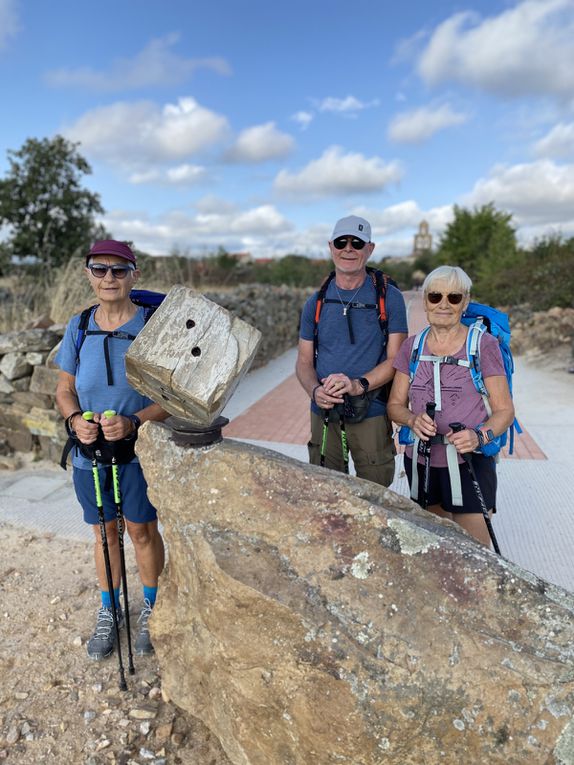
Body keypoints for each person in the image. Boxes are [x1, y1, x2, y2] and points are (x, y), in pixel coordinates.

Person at [55, 240, 169, 660]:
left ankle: (152, 608)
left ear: (133, 275)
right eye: (99, 270)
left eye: (118, 271)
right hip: (91, 452)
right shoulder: (79, 326)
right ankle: (110, 611)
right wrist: (73, 421)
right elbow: (64, 388)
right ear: (88, 273)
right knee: (104, 533)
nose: (108, 278)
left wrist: (135, 421)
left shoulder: (151, 325)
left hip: (140, 451)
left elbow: (171, 396)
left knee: (141, 529)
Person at [387, 265, 515, 546]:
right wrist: (411, 420)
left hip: (469, 460)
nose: (444, 304)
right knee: (436, 548)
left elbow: (505, 411)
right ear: (425, 301)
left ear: (465, 301)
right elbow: (395, 405)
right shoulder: (412, 347)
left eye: (454, 297)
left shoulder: (484, 346)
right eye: (435, 297)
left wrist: (479, 436)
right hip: (422, 461)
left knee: (476, 554)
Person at [296, 215, 408, 486]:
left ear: (369, 249)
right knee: (327, 492)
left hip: (370, 410)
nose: (348, 248)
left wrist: (359, 385)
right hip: (325, 411)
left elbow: (397, 359)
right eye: (341, 242)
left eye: (357, 243)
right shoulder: (316, 301)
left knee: (376, 494)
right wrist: (315, 391)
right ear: (330, 246)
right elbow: (303, 361)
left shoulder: (389, 298)